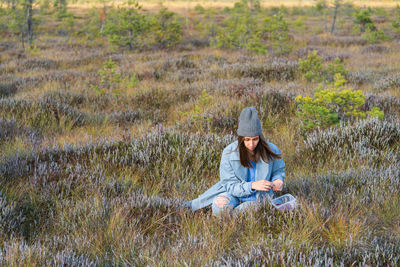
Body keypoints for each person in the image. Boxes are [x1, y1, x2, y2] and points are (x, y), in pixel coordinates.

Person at [185, 107, 285, 216]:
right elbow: (229, 185)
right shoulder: (229, 152)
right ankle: (230, 214)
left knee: (245, 212)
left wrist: (278, 179)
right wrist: (252, 185)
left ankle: (232, 218)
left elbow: (278, 170)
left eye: (255, 139)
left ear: (260, 137)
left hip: (259, 198)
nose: (251, 144)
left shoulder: (272, 150)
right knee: (219, 208)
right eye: (247, 139)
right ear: (241, 138)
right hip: (233, 194)